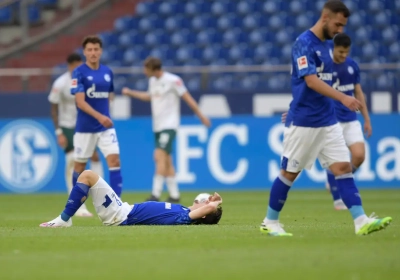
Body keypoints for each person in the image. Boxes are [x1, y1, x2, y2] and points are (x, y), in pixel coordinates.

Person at [261, 0, 391, 236]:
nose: (340, 30)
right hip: (305, 122)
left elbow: (312, 84)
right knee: (290, 173)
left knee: (343, 167)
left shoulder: (325, 47)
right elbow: (309, 81)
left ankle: (360, 220)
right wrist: (342, 98)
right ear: (325, 17)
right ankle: (270, 222)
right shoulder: (304, 43)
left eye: (343, 26)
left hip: (328, 121)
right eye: (338, 24)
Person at [281, 33, 373, 211]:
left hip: (351, 118)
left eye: (346, 52)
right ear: (334, 49)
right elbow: (311, 89)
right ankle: (339, 199)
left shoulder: (353, 66)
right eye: (340, 52)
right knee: (298, 168)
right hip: (331, 119)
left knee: (359, 156)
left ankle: (338, 179)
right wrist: (295, 111)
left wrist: (366, 118)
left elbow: (358, 92)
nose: (343, 55)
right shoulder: (325, 66)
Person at [122, 57, 211, 203]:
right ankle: (174, 194)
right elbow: (149, 96)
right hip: (157, 126)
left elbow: (187, 98)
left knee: (158, 156)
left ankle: (155, 194)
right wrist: (131, 93)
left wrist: (201, 116)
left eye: (146, 68)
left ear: (153, 68)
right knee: (167, 160)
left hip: (169, 125)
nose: (144, 71)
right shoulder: (152, 81)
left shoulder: (173, 80)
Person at [39, 170, 223, 227]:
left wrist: (215, 204)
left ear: (205, 215)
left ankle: (64, 219)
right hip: (123, 210)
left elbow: (209, 210)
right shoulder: (183, 210)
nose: (206, 201)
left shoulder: (184, 218)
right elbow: (207, 209)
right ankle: (65, 218)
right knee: (87, 176)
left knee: (87, 175)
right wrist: (211, 203)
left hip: (121, 215)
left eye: (206, 203)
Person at [48, 53, 104, 217]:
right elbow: (54, 109)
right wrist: (59, 132)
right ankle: (77, 204)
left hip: (85, 125)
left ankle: (101, 195)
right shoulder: (60, 84)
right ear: (70, 66)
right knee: (73, 161)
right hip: (68, 127)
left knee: (94, 157)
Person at [71, 35, 123, 197]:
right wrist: (100, 116)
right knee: (80, 166)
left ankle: (117, 207)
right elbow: (80, 102)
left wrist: (106, 114)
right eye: (89, 50)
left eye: (96, 49)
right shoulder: (78, 73)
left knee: (114, 161)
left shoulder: (107, 72)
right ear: (84, 52)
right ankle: (77, 204)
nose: (93, 52)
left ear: (100, 51)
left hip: (105, 128)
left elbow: (109, 94)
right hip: (85, 128)